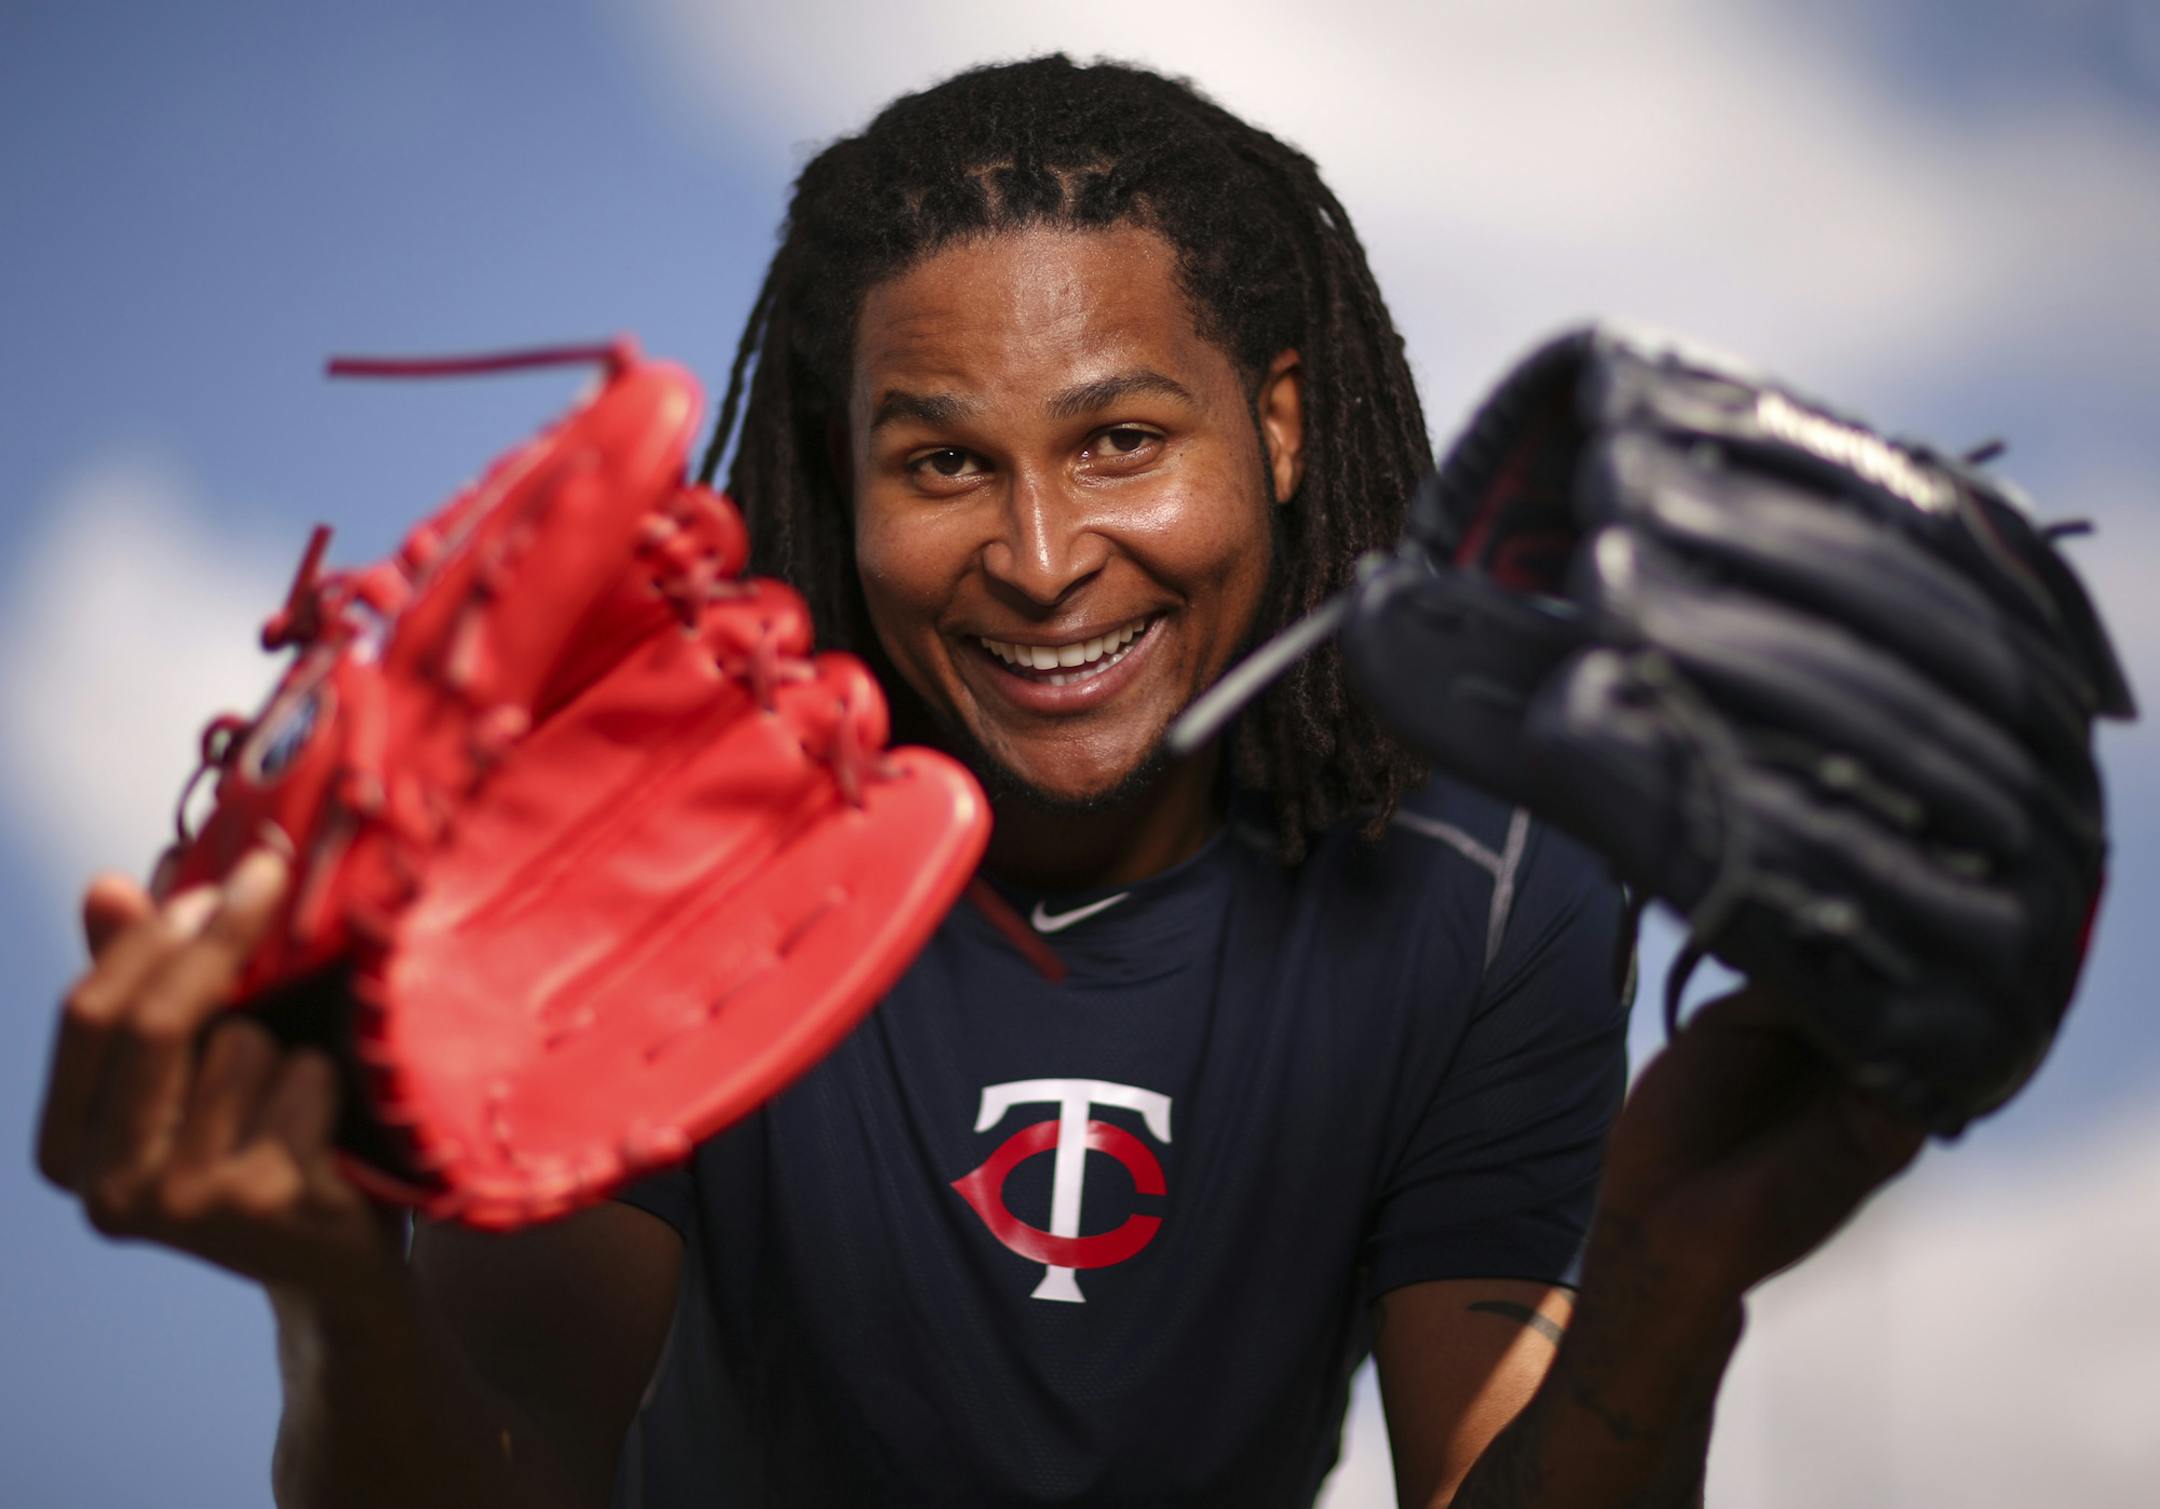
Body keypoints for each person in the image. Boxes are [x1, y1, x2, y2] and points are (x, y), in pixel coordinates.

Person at [34, 55, 1922, 1508]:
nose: (1039, 556)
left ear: (1275, 421)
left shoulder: (1487, 870)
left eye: (1118, 439)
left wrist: (1672, 1276)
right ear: (838, 471)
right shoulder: (662, 851)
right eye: (941, 467)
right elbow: (516, 1468)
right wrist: (338, 1283)